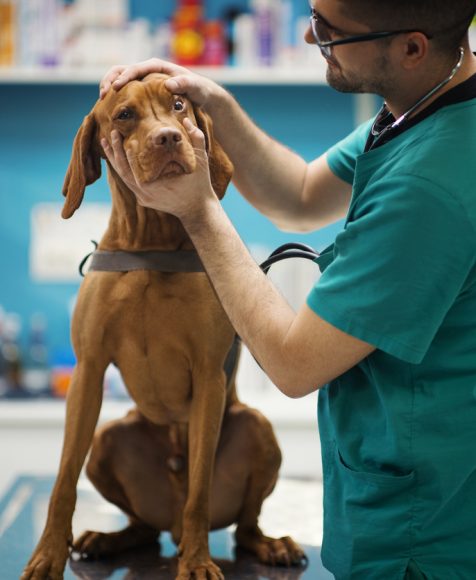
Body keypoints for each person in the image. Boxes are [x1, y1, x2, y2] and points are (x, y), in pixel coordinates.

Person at [99, 0, 476, 577]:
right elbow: (298, 196)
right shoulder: (423, 110)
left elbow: (294, 365)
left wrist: (198, 213)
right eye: (313, 14)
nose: (307, 34)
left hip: (424, 534)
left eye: (329, 30)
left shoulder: (430, 184)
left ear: (411, 48)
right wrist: (213, 104)